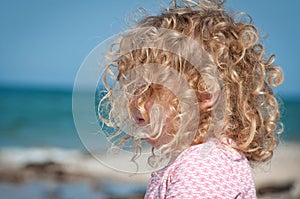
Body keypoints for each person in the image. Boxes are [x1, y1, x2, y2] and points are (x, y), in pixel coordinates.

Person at [99, 0, 283, 198]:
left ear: (204, 94)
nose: (134, 100)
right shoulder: (203, 159)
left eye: (148, 88)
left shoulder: (204, 166)